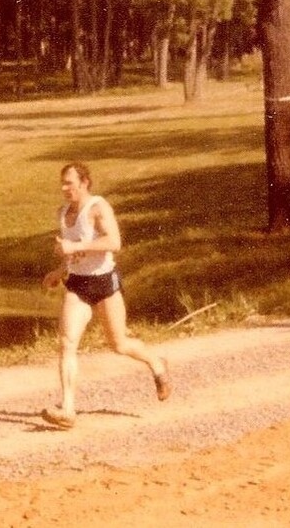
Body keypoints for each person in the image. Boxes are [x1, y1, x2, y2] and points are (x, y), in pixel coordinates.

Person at [41, 162, 171, 429]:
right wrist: (59, 270)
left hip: (104, 283)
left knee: (119, 344)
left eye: (70, 182)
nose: (65, 188)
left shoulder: (98, 208)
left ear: (85, 182)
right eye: (62, 183)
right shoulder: (63, 213)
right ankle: (67, 409)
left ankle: (156, 363)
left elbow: (114, 242)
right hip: (77, 285)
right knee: (67, 342)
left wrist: (76, 245)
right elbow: (72, 254)